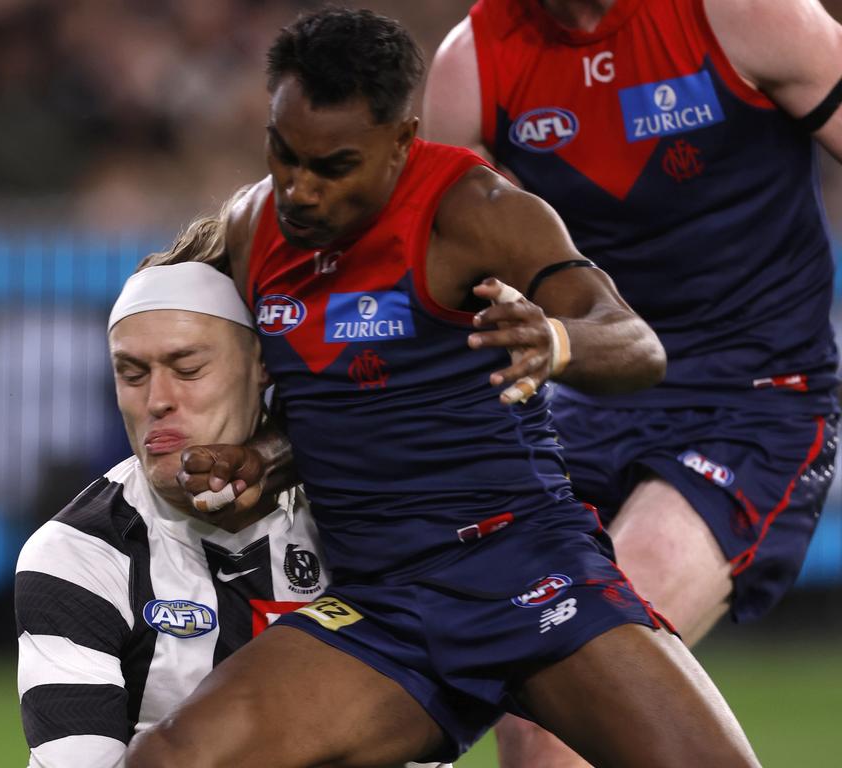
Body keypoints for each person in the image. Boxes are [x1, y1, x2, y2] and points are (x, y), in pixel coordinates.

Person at [126, 8, 759, 767]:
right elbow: (319, 409)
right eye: (284, 153)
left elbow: (634, 342)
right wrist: (261, 457)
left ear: (403, 141)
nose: (300, 190)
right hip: (385, 606)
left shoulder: (477, 213)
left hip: (527, 570)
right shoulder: (251, 228)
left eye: (333, 167)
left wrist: (555, 341)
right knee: (170, 760)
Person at [424, 0, 842, 764]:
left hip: (756, 399)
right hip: (584, 399)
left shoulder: (743, 15)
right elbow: (434, 270)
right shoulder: (473, 66)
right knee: (532, 706)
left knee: (577, 667)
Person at [13, 219, 331, 768]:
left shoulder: (358, 512)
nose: (157, 400)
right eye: (132, 374)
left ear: (262, 367)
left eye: (188, 368)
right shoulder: (79, 554)